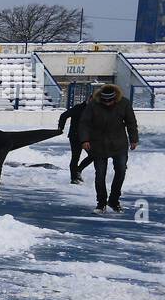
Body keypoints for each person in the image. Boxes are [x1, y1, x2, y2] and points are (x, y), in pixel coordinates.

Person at [80, 84, 139, 214]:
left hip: (119, 144)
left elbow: (131, 122)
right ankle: (101, 203)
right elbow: (84, 123)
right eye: (104, 101)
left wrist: (134, 139)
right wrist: (84, 140)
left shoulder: (124, 103)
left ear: (115, 98)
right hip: (98, 144)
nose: (107, 104)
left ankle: (114, 200)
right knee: (100, 175)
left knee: (121, 171)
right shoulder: (94, 105)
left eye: (110, 101)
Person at [57, 101, 93, 185]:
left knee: (93, 155)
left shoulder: (95, 109)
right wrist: (60, 128)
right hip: (75, 136)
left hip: (87, 137)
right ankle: (74, 178)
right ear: (89, 99)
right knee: (75, 157)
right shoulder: (78, 107)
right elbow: (64, 115)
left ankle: (78, 170)